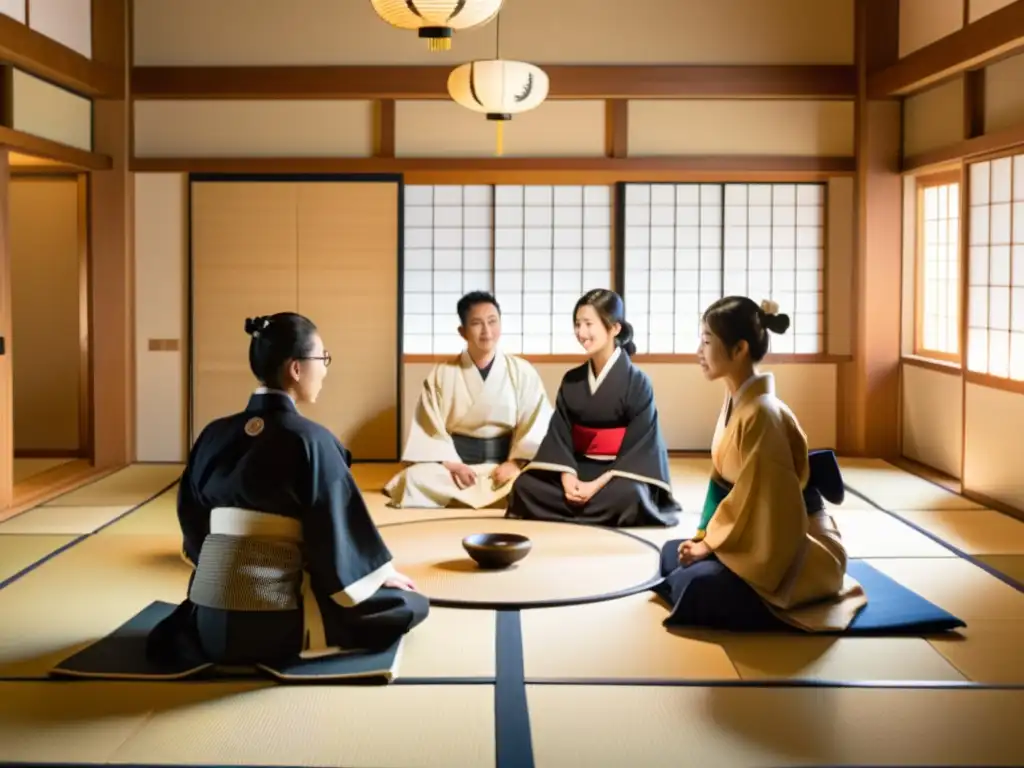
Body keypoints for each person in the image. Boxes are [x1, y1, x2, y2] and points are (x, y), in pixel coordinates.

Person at [147, 312, 429, 667]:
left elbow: (194, 524)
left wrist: (228, 573)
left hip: (209, 619)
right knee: (410, 604)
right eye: (322, 358)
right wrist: (380, 575)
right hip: (274, 621)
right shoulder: (314, 441)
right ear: (296, 369)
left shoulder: (213, 434)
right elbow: (333, 534)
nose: (325, 369)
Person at [654, 296, 867, 632]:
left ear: (739, 350)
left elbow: (762, 500)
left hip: (795, 548)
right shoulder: (738, 402)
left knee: (694, 585)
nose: (699, 350)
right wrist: (704, 539)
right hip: (752, 534)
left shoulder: (762, 415)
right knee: (671, 555)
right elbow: (726, 489)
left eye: (707, 341)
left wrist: (709, 545)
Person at [504, 289, 681, 527]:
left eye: (588, 324)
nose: (581, 332)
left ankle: (582, 506)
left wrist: (596, 485)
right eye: (577, 324)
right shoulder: (572, 380)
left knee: (631, 496)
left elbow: (642, 445)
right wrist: (567, 476)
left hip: (618, 473)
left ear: (614, 328)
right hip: (577, 466)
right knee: (525, 487)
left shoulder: (637, 382)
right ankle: (593, 509)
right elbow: (560, 435)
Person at [384, 291, 553, 509]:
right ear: (462, 331)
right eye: (477, 323)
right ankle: (499, 497)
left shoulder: (522, 371)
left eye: (493, 321)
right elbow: (430, 428)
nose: (487, 331)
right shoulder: (442, 373)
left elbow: (536, 423)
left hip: (504, 465)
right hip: (457, 467)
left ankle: (473, 496)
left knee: (544, 480)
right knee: (414, 479)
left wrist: (516, 463)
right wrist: (453, 465)